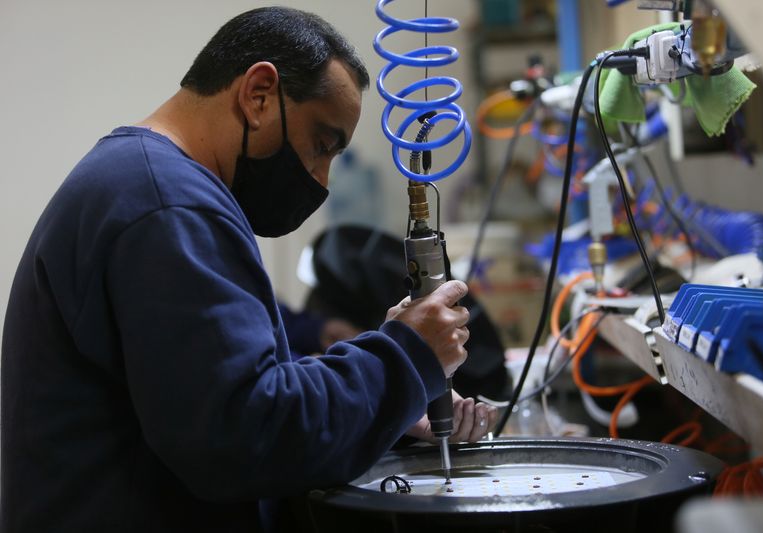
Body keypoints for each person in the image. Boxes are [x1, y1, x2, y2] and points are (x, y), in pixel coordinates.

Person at [1, 7, 497, 532]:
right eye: (322, 144)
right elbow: (245, 435)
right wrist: (402, 356)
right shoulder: (169, 206)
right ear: (258, 94)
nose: (321, 180)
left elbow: (229, 388)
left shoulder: (147, 185)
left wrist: (387, 402)